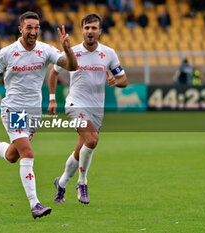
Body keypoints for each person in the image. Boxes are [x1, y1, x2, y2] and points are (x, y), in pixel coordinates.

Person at [0, 11, 77, 219]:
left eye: (36, 28)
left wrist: (68, 49)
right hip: (14, 109)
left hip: (34, 112)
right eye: (29, 28)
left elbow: (72, 66)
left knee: (13, 156)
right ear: (21, 29)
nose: (33, 32)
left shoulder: (45, 50)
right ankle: (34, 204)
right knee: (27, 153)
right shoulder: (7, 53)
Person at [48, 14, 128, 204]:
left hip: (96, 109)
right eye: (87, 28)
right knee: (92, 140)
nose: (90, 31)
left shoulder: (109, 53)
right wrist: (52, 99)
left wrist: (115, 81)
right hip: (75, 104)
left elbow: (124, 80)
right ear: (82, 30)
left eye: (94, 28)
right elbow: (53, 73)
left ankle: (62, 183)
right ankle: (82, 183)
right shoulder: (71, 51)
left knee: (82, 149)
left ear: (100, 31)